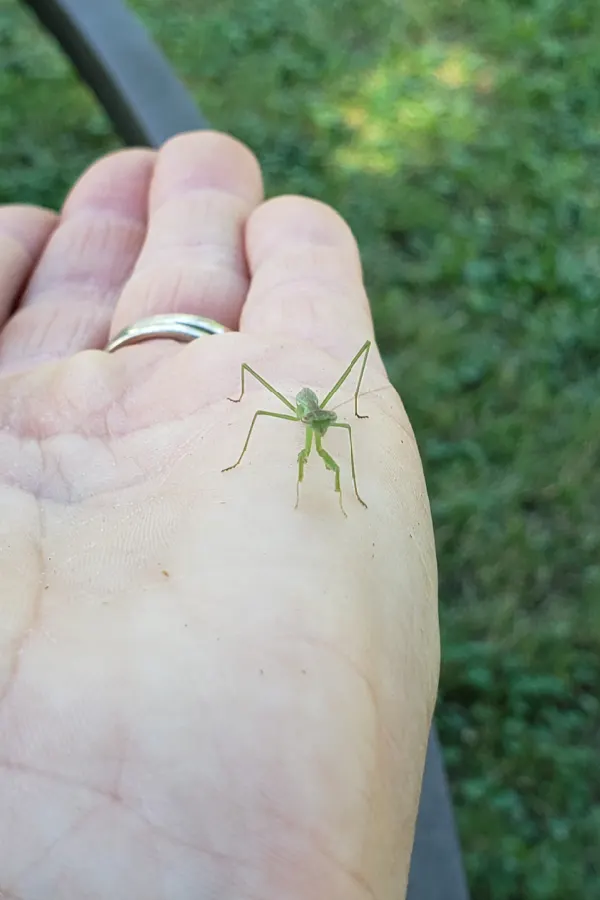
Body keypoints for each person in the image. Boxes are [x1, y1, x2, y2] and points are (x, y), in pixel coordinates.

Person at [0, 130, 440, 898]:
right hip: (282, 408)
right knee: (295, 440)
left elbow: (336, 413)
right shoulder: (291, 416)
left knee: (320, 451)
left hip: (313, 411)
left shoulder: (327, 421)